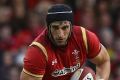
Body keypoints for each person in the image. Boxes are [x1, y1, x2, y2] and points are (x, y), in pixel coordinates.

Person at [20, 4, 110, 80]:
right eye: (55, 28)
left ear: (71, 26)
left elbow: (103, 61)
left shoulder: (84, 37)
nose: (60, 34)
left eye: (65, 27)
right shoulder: (38, 51)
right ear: (48, 27)